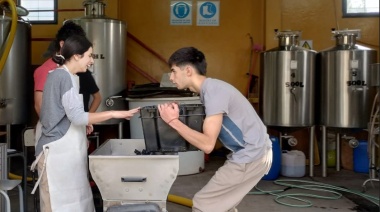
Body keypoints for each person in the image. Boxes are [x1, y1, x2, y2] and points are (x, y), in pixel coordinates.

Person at [31, 35, 140, 212]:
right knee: (58, 205)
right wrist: (113, 113)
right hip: (56, 153)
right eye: (89, 56)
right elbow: (77, 117)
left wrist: (84, 123)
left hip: (63, 154)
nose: (91, 61)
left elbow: (67, 113)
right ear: (76, 56)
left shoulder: (64, 75)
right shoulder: (63, 77)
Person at [158, 47, 273, 212]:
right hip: (255, 152)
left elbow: (207, 145)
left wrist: (173, 121)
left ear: (188, 71)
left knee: (203, 204)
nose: (171, 77)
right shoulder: (210, 89)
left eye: (174, 71)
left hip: (251, 156)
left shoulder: (213, 92)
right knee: (222, 206)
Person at [34, 20, 101, 116]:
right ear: (62, 44)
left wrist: (86, 121)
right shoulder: (46, 70)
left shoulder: (77, 70)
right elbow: (40, 107)